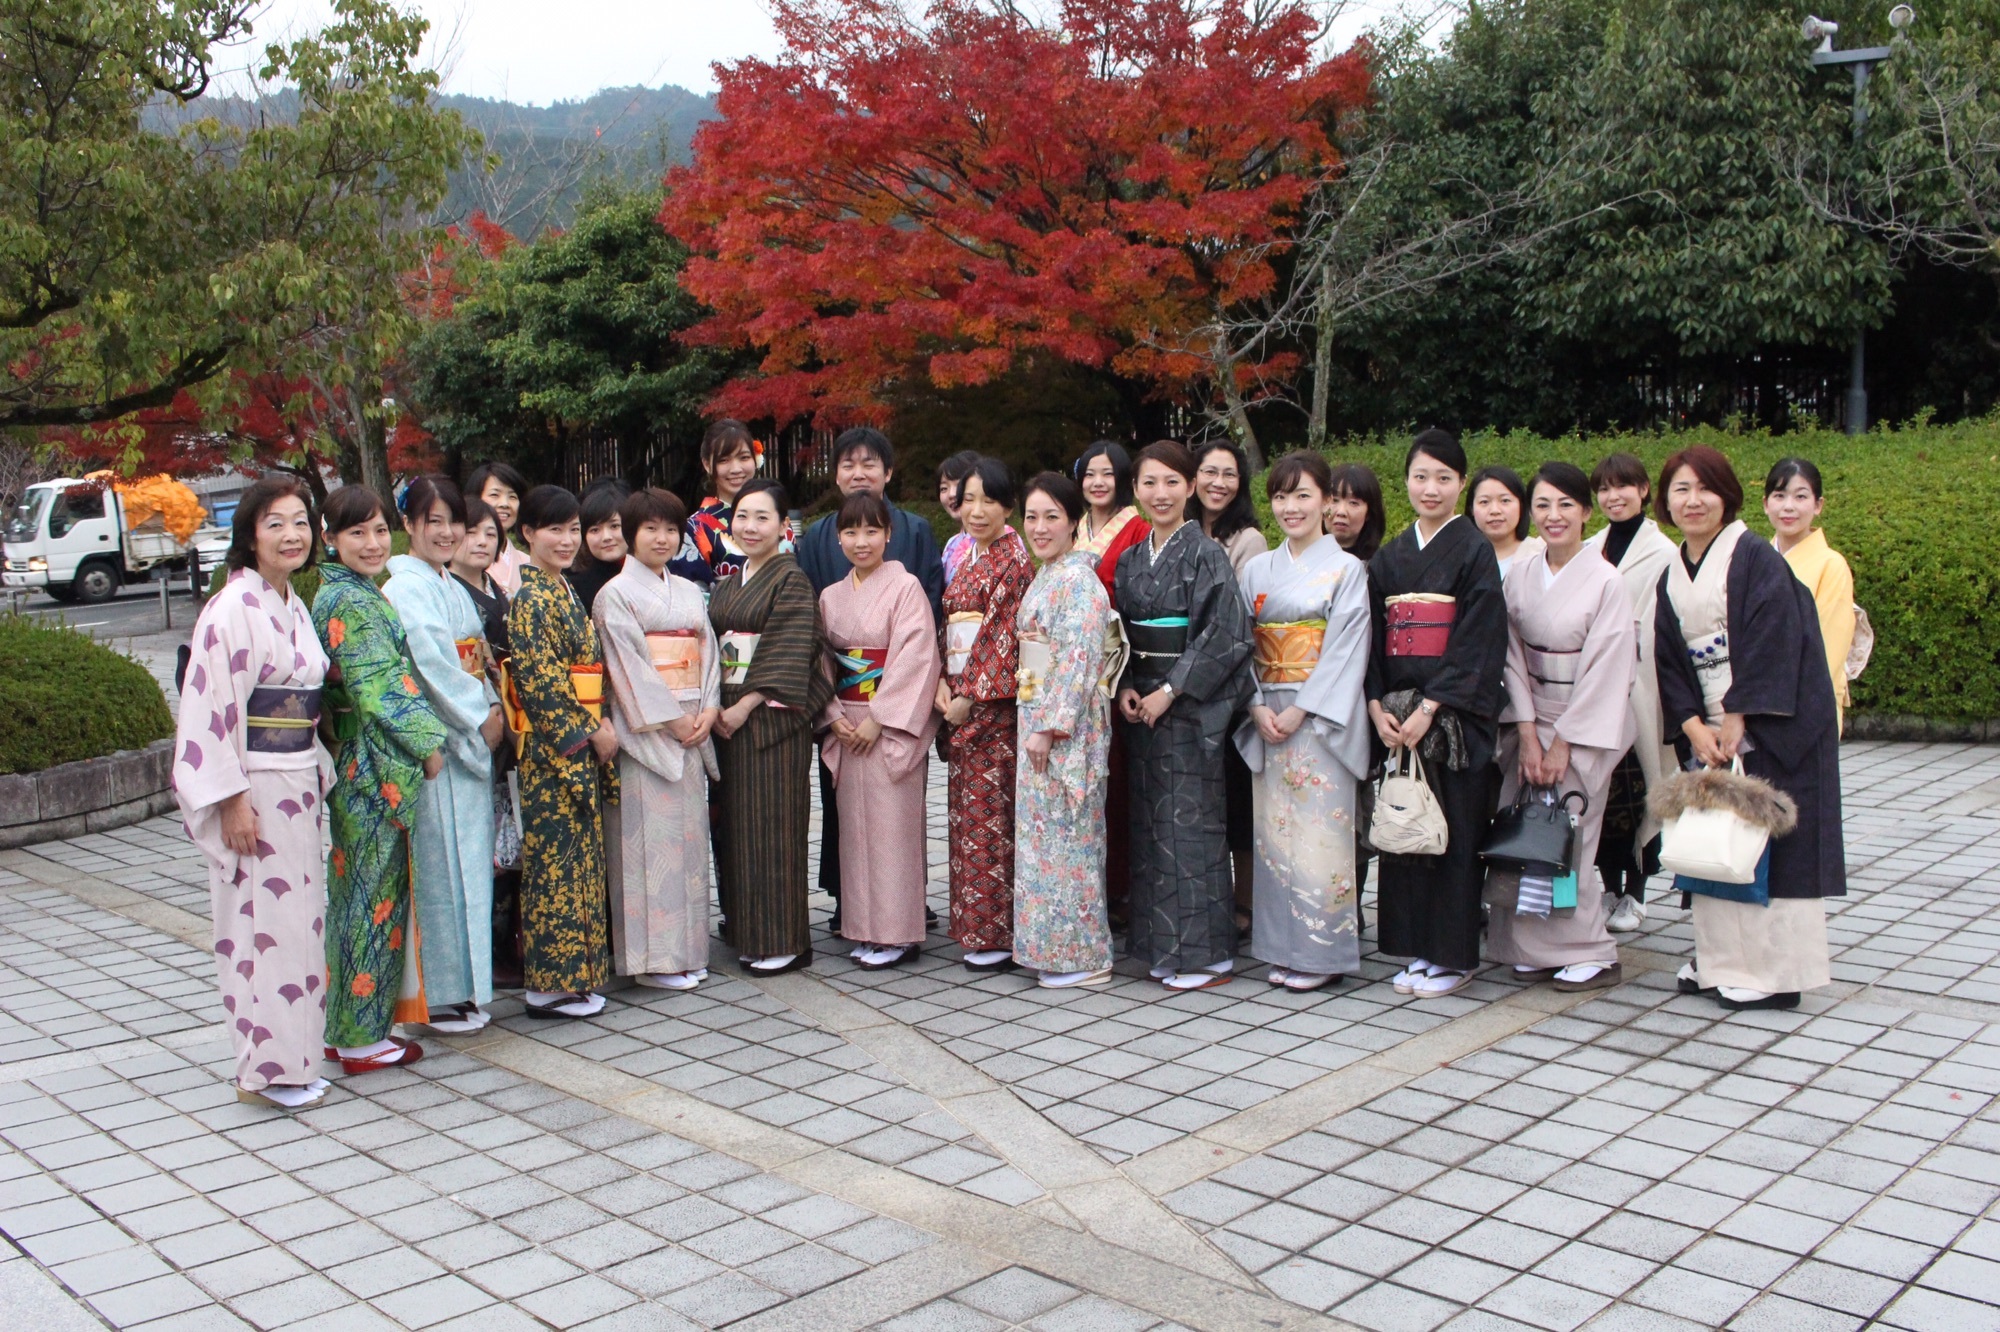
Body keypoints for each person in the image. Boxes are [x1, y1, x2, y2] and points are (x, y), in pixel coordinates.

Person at [1654, 446, 1845, 1012]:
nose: (1692, 501)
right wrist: (1691, 725)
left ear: (1727, 496)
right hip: (1710, 728)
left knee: (1769, 848)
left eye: (1703, 488)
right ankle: (1719, 961)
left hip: (1770, 727)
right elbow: (1667, 657)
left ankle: (1775, 972)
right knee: (1715, 844)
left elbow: (1775, 642)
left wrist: (1737, 716)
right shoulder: (1673, 568)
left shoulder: (1755, 556)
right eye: (1680, 489)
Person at [173, 478, 334, 1108]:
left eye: (300, 522)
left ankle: (295, 1061)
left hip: (296, 780)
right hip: (256, 786)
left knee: (298, 925)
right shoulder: (233, 607)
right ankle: (261, 1072)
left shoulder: (293, 603)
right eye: (275, 524)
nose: (292, 535)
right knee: (257, 925)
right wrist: (231, 799)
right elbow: (209, 709)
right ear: (249, 536)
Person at [1366, 430, 1509, 999]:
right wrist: (1377, 705)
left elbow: (1480, 638)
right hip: (1398, 714)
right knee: (1405, 828)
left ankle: (1453, 956)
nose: (1431, 488)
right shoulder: (1391, 556)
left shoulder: (1474, 551)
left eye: (1444, 479)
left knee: (1452, 831)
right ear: (1406, 481)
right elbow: (1373, 637)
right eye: (1422, 476)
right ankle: (1414, 948)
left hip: (1450, 716)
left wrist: (1432, 705)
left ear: (1461, 486)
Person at [314, 486, 447, 1073]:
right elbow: (380, 688)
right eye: (355, 534)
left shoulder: (345, 593)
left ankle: (344, 1025)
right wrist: (429, 741)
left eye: (376, 531)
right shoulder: (354, 602)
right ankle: (364, 1039)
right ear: (331, 540)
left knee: (355, 895)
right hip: (372, 769)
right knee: (373, 899)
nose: (371, 544)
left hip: (357, 764)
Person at [1489, 463, 1636, 992]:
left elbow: (1609, 668)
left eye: (1566, 506)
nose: (1554, 517)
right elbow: (1508, 655)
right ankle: (1530, 947)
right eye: (1544, 506)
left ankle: (1588, 946)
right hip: (1530, 715)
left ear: (1586, 513)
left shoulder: (1606, 580)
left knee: (1574, 834)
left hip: (1582, 721)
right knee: (1527, 830)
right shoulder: (1521, 575)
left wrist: (1563, 743)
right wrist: (1527, 732)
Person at [1115, 441, 1256, 990]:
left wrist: (1170, 691)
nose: (1161, 493)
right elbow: (1119, 633)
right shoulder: (1130, 559)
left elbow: (1227, 634)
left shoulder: (1207, 553)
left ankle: (1205, 955)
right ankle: (1160, 946)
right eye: (1150, 483)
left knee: (1191, 831)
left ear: (1191, 488)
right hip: (1141, 706)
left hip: (1187, 709)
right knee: (1150, 829)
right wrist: (1125, 683)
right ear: (1137, 491)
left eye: (1172, 482)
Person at [794, 428, 945, 930]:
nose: (859, 472)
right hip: (843, 708)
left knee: (895, 820)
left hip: (890, 707)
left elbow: (919, 631)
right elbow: (816, 633)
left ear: (888, 471)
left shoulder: (915, 536)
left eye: (869, 463)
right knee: (847, 819)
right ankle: (852, 909)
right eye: (848, 464)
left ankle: (903, 914)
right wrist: (828, 710)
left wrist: (884, 714)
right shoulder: (816, 538)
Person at [1235, 452, 1371, 992]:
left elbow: (1344, 650)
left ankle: (1322, 952)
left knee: (1321, 836)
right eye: (1281, 497)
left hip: (1318, 719)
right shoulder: (1256, 569)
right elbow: (1240, 643)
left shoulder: (1347, 568)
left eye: (1303, 495)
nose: (1291, 507)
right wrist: (1255, 705)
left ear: (1326, 502)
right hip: (1266, 709)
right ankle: (1281, 947)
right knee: (1273, 837)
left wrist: (1300, 708)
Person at [383, 477, 505, 1035]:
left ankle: (467, 987)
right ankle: (440, 994)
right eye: (432, 521)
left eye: (452, 520)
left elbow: (474, 657)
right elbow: (431, 666)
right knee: (440, 868)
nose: (446, 531)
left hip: (470, 734)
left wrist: (491, 704)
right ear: (408, 525)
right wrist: (479, 715)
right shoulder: (406, 589)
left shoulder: (446, 583)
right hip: (438, 742)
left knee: (469, 865)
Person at [593, 488, 722, 990]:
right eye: (650, 528)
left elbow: (706, 652)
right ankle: (651, 961)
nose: (662, 538)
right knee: (646, 845)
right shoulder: (615, 595)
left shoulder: (689, 591)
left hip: (692, 723)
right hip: (648, 733)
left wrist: (709, 708)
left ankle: (686, 950)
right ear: (630, 534)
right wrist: (672, 722)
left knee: (687, 847)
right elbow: (627, 670)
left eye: (671, 528)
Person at [710, 478, 835, 974]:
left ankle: (783, 939)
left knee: (773, 827)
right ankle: (746, 928)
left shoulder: (791, 579)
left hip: (769, 720)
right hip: (725, 715)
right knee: (737, 828)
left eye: (762, 517)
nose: (750, 526)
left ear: (784, 527)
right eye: (742, 516)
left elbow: (792, 646)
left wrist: (746, 704)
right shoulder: (727, 581)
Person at [817, 491, 942, 970]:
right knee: (854, 831)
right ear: (838, 537)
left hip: (885, 723)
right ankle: (863, 927)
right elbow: (823, 666)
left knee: (893, 830)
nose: (861, 541)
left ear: (889, 534)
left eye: (871, 530)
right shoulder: (830, 596)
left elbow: (915, 657)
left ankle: (897, 932)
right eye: (851, 531)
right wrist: (832, 715)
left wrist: (878, 719)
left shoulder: (906, 587)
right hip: (846, 722)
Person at [508, 485, 619, 1019]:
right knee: (556, 864)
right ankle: (548, 986)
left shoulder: (562, 589)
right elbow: (542, 684)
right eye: (555, 529)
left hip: (579, 733)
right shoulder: (531, 599)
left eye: (573, 529)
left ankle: (575, 977)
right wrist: (589, 732)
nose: (567, 540)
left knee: (578, 863)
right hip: (555, 750)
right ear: (527, 533)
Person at [1013, 473, 1117, 988]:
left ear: (1075, 521)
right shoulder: (1049, 575)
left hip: (1065, 726)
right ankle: (1053, 947)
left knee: (1069, 837)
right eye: (1031, 516)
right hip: (1037, 712)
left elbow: (1078, 661)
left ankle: (1086, 955)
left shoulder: (1078, 582)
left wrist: (1048, 728)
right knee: (1045, 839)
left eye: (1052, 516)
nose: (1040, 527)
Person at [937, 457, 1033, 970]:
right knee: (968, 815)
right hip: (960, 696)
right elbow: (951, 625)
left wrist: (967, 697)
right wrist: (941, 683)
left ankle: (998, 929)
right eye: (967, 499)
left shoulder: (1013, 560)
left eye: (988, 501)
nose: (976, 510)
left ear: (1008, 506)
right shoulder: (970, 555)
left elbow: (1001, 639)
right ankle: (977, 926)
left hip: (990, 711)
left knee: (992, 816)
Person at [1582, 453, 1678, 934]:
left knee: (1642, 787)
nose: (1612, 497)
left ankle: (1637, 891)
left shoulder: (1663, 552)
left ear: (1643, 490)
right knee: (1602, 789)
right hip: (1597, 683)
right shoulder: (1590, 546)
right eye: (1603, 489)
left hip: (1642, 684)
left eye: (1623, 487)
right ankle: (1609, 887)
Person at [1194, 442, 1267, 929]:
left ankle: (1245, 903)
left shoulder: (1247, 539)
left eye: (1229, 474)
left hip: (1230, 682)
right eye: (1208, 472)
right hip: (1180, 682)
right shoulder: (1178, 529)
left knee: (1237, 799)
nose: (1218, 482)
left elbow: (1235, 618)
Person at [1764, 457, 1856, 731]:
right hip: (1757, 705)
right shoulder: (1754, 560)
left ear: (1818, 505)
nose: (1788, 506)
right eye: (1779, 496)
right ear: (1765, 503)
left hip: (1810, 706)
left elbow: (1828, 649)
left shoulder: (1831, 565)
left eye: (1800, 496)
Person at [677, 419, 764, 586]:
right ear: (707, 464)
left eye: (744, 457)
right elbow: (693, 596)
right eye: (724, 460)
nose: (736, 469)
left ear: (755, 459)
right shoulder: (694, 528)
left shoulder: (777, 517)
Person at [1073, 440, 1144, 567]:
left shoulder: (1140, 532)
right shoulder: (1073, 528)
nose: (1098, 482)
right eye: (1089, 474)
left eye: (1108, 474)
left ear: (1122, 478)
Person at [1467, 465, 1543, 583]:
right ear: (1471, 509)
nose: (1495, 510)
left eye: (1505, 501)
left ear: (1521, 506)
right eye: (1484, 502)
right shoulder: (1459, 559)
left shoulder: (1540, 555)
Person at [567, 480, 630, 614]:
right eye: (595, 530)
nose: (606, 537)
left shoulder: (654, 576)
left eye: (614, 526)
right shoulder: (573, 589)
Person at [468, 462, 531, 596]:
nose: (505, 504)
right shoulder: (464, 557)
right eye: (494, 495)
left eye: (512, 497)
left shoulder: (528, 562)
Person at [938, 450, 983, 585]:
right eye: (944, 488)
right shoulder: (951, 544)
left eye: (958, 485)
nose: (951, 494)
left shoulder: (1002, 536)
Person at [1326, 463, 1387, 563]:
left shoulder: (1379, 568)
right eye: (1335, 500)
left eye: (1353, 503)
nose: (1341, 512)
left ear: (1369, 513)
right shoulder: (1302, 556)